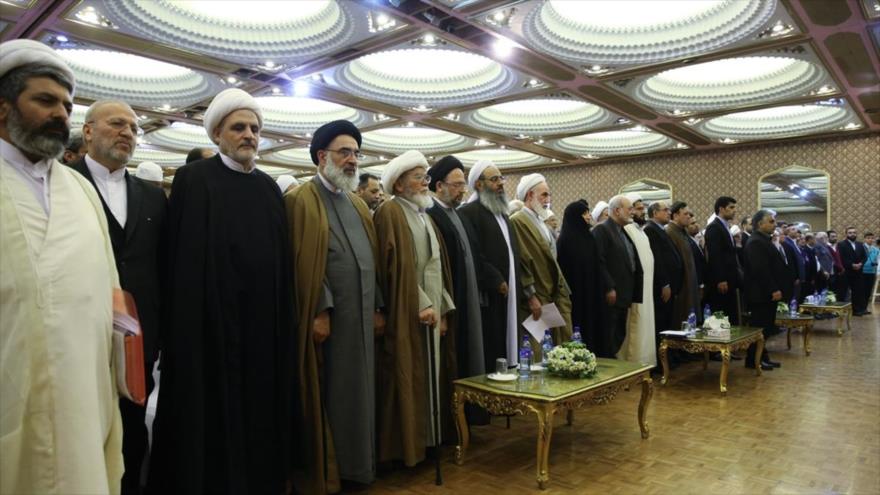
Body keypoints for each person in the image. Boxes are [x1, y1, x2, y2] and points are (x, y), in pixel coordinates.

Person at [148, 88, 295, 494]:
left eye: (255, 129)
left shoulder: (268, 188)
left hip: (261, 329)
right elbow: (181, 259)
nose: (249, 135)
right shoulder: (195, 180)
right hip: (210, 328)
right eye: (239, 127)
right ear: (217, 134)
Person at [1, 39, 124, 495]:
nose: (60, 114)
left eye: (67, 106)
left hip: (85, 394)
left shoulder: (81, 190)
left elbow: (112, 292)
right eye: (45, 101)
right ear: (3, 108)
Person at [69, 99, 167, 495]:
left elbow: (162, 265)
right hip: (79, 332)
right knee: (81, 427)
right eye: (116, 124)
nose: (127, 132)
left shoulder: (152, 196)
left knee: (133, 426)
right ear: (88, 131)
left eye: (133, 128)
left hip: (139, 338)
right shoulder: (62, 183)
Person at [284, 119, 382, 493]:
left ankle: (362, 465)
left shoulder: (357, 204)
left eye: (356, 153)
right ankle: (335, 471)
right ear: (322, 156)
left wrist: (379, 307)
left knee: (363, 393)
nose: (352, 160)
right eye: (344, 152)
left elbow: (372, 261)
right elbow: (302, 263)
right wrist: (319, 310)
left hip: (363, 319)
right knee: (335, 394)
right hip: (332, 323)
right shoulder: (300, 201)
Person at [374, 150, 456, 468]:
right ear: (399, 185)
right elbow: (395, 268)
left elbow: (438, 267)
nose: (425, 183)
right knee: (409, 377)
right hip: (408, 312)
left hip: (432, 313)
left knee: (431, 376)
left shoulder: (425, 214)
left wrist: (443, 309)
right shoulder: (390, 213)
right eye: (419, 177)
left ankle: (431, 439)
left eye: (426, 177)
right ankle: (410, 447)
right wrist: (422, 304)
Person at [458, 161, 524, 371]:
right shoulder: (469, 212)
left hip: (511, 289)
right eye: (494, 179)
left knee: (510, 337)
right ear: (479, 184)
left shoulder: (502, 213)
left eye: (501, 178)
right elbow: (474, 254)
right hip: (490, 293)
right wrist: (495, 279)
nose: (500, 183)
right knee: (493, 340)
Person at [427, 156, 485, 381]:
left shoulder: (460, 215)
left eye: (463, 185)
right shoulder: (432, 215)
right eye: (457, 185)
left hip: (469, 298)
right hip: (451, 301)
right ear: (439, 186)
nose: (462, 190)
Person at [511, 174, 573, 357]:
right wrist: (531, 296)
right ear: (530, 195)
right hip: (537, 297)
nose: (548, 200)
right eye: (544, 195)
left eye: (549, 195)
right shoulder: (518, 221)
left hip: (553, 295)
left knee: (557, 349)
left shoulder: (541, 222)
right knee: (538, 352)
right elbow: (522, 262)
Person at [592, 195, 643, 358]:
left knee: (618, 334)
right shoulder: (602, 230)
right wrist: (609, 287)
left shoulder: (622, 231)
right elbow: (598, 261)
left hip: (624, 293)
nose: (632, 212)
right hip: (612, 294)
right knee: (609, 335)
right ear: (617, 211)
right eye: (629, 208)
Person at [743, 210, 787, 370]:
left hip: (765, 293)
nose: (775, 224)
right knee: (760, 328)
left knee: (766, 328)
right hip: (760, 294)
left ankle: (762, 357)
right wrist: (773, 289)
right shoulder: (756, 242)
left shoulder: (763, 240)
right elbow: (760, 270)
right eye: (771, 221)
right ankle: (753, 360)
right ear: (760, 224)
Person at [557, 200, 602, 352]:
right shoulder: (565, 240)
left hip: (590, 290)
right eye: (584, 213)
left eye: (588, 212)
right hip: (575, 294)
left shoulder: (589, 237)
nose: (588, 216)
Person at [643, 201, 683, 363]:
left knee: (667, 323)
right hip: (662, 287)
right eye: (665, 210)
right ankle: (661, 361)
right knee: (661, 324)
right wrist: (664, 284)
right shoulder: (650, 230)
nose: (669, 212)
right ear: (654, 213)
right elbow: (658, 260)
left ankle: (668, 357)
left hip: (670, 286)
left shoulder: (660, 229)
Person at [620, 192, 655, 365]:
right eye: (639, 208)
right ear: (631, 210)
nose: (643, 212)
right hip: (635, 289)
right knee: (635, 324)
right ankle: (634, 364)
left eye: (643, 208)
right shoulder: (627, 230)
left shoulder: (642, 232)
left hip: (647, 289)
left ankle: (646, 363)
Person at [705, 196, 743, 323]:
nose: (734, 210)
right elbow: (715, 255)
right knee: (722, 316)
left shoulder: (725, 226)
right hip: (722, 281)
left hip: (730, 278)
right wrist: (720, 279)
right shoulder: (714, 227)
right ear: (721, 209)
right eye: (731, 207)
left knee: (731, 315)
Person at [666, 202, 700, 330]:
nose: (689, 216)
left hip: (689, 284)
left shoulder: (682, 231)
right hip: (680, 288)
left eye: (689, 214)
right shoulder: (670, 232)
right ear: (675, 216)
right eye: (685, 214)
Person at [839, 227, 869, 315]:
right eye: (850, 232)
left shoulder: (860, 244)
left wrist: (861, 264)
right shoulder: (841, 244)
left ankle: (857, 310)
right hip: (846, 271)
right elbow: (841, 257)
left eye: (854, 232)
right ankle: (841, 311)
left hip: (858, 271)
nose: (852, 234)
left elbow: (864, 257)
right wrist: (852, 265)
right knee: (843, 292)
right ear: (846, 234)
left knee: (858, 291)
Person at [782, 226, 805, 302]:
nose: (796, 231)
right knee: (793, 299)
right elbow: (791, 262)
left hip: (799, 277)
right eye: (793, 229)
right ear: (788, 232)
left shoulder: (794, 242)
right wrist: (796, 277)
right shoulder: (787, 242)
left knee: (797, 298)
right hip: (794, 278)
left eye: (796, 229)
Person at [863, 232, 878, 314]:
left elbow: (878, 260)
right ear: (864, 239)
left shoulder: (876, 249)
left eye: (872, 238)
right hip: (862, 272)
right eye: (868, 238)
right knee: (861, 291)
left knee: (868, 291)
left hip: (871, 272)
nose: (870, 239)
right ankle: (859, 308)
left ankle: (865, 308)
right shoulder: (861, 248)